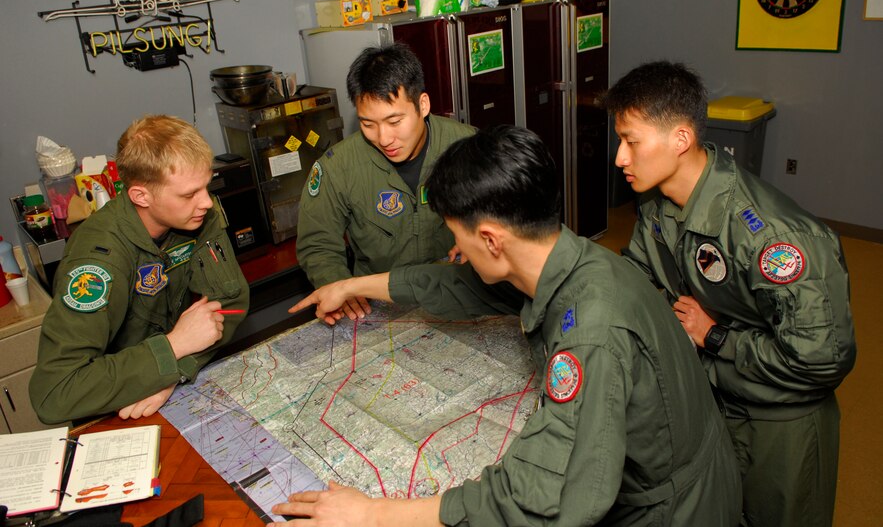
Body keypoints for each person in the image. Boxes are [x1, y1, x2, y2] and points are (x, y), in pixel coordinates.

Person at [273, 125, 741, 526]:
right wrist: (356, 284)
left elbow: (545, 493)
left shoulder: (593, 333)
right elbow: (461, 286)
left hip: (674, 510)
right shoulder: (562, 255)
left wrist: (373, 515)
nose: (455, 249)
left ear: (491, 239)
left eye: (456, 236)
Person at [603, 60, 857, 527]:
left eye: (631, 142)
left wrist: (717, 337)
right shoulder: (658, 206)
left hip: (780, 421)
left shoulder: (774, 237)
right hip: (715, 399)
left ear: (681, 139)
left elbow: (821, 359)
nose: (620, 157)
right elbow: (641, 275)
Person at [29, 115, 249, 425]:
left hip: (170, 391)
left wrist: (173, 370)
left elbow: (231, 303)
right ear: (141, 196)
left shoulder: (196, 216)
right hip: (116, 411)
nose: (206, 203)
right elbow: (54, 393)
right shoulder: (98, 260)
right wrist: (173, 347)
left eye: (206, 186)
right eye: (189, 194)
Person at [296, 42, 475, 320]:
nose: (383, 138)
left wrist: (477, 237)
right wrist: (339, 285)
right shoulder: (338, 167)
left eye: (394, 121)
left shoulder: (466, 145)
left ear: (423, 105)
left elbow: (504, 211)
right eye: (368, 124)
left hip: (455, 289)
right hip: (378, 306)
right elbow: (317, 243)